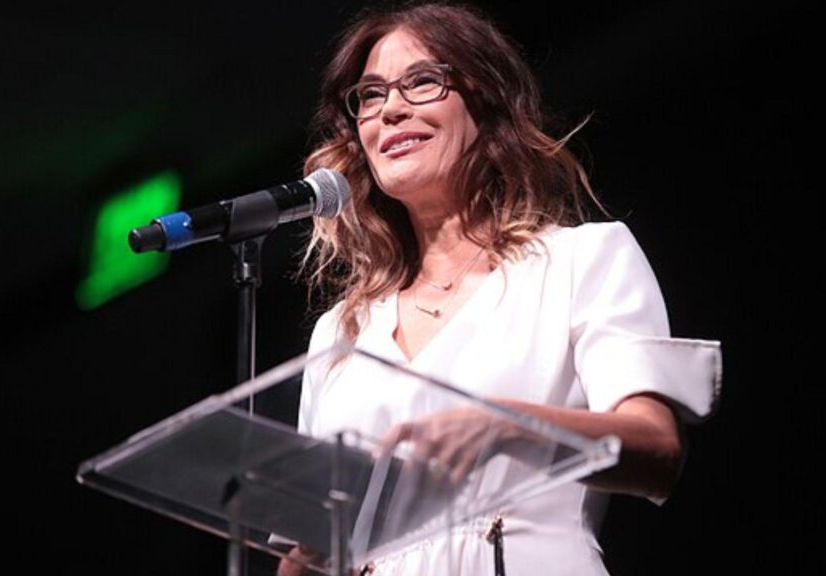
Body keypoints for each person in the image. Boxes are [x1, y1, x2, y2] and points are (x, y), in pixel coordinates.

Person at [277, 2, 721, 575]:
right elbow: (310, 555)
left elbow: (655, 450)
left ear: (484, 103)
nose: (390, 109)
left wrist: (507, 424)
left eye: (421, 82)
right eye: (370, 94)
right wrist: (308, 555)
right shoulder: (341, 331)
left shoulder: (580, 261)